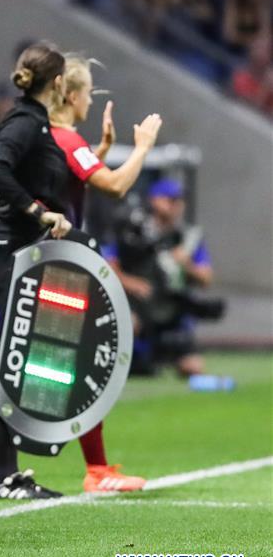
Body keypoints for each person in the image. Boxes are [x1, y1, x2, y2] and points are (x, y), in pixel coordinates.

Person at [49, 54, 162, 492]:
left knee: (73, 363)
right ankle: (88, 470)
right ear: (72, 94)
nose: (92, 101)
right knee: (70, 365)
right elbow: (114, 185)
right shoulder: (64, 136)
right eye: (90, 92)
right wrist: (143, 147)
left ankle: (95, 467)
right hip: (58, 262)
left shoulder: (60, 138)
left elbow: (67, 177)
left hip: (57, 258)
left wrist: (98, 151)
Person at [0, 43, 73, 500]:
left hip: (24, 251)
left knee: (15, 360)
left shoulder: (34, 119)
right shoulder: (26, 120)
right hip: (13, 249)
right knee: (8, 359)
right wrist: (39, 211)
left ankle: (7, 472)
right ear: (57, 83)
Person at [106, 178, 217, 379]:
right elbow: (108, 264)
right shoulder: (133, 231)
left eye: (179, 200)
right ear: (155, 200)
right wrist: (132, 283)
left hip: (170, 310)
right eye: (170, 199)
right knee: (128, 325)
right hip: (138, 307)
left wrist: (186, 264)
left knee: (193, 368)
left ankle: (161, 358)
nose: (175, 205)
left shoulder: (187, 237)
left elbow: (206, 278)